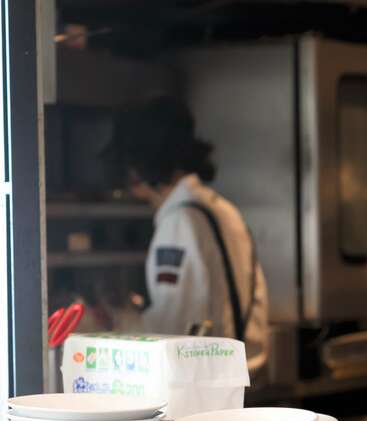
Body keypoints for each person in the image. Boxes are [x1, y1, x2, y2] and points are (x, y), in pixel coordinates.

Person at [103, 96, 268, 374]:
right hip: (239, 377)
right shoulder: (224, 210)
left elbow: (170, 332)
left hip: (204, 385)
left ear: (137, 167)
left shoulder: (179, 223)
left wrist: (117, 318)